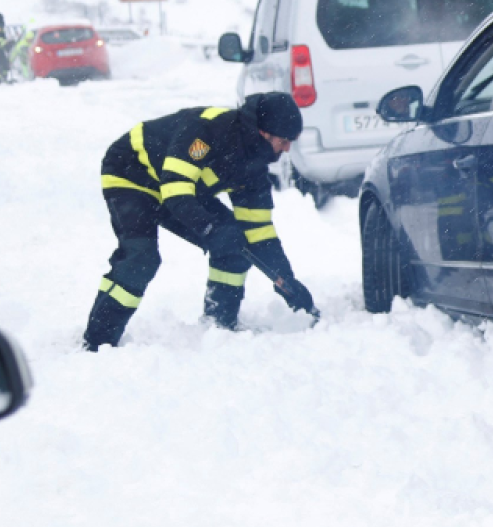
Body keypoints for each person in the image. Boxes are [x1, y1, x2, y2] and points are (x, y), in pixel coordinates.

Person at [83, 92, 319, 350]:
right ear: (263, 133)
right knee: (141, 258)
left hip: (180, 191)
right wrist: (209, 229)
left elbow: (259, 231)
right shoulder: (208, 131)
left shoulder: (254, 165)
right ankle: (98, 342)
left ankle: (219, 325)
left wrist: (285, 280)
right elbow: (175, 190)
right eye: (284, 141)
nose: (287, 149)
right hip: (131, 173)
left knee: (235, 242)